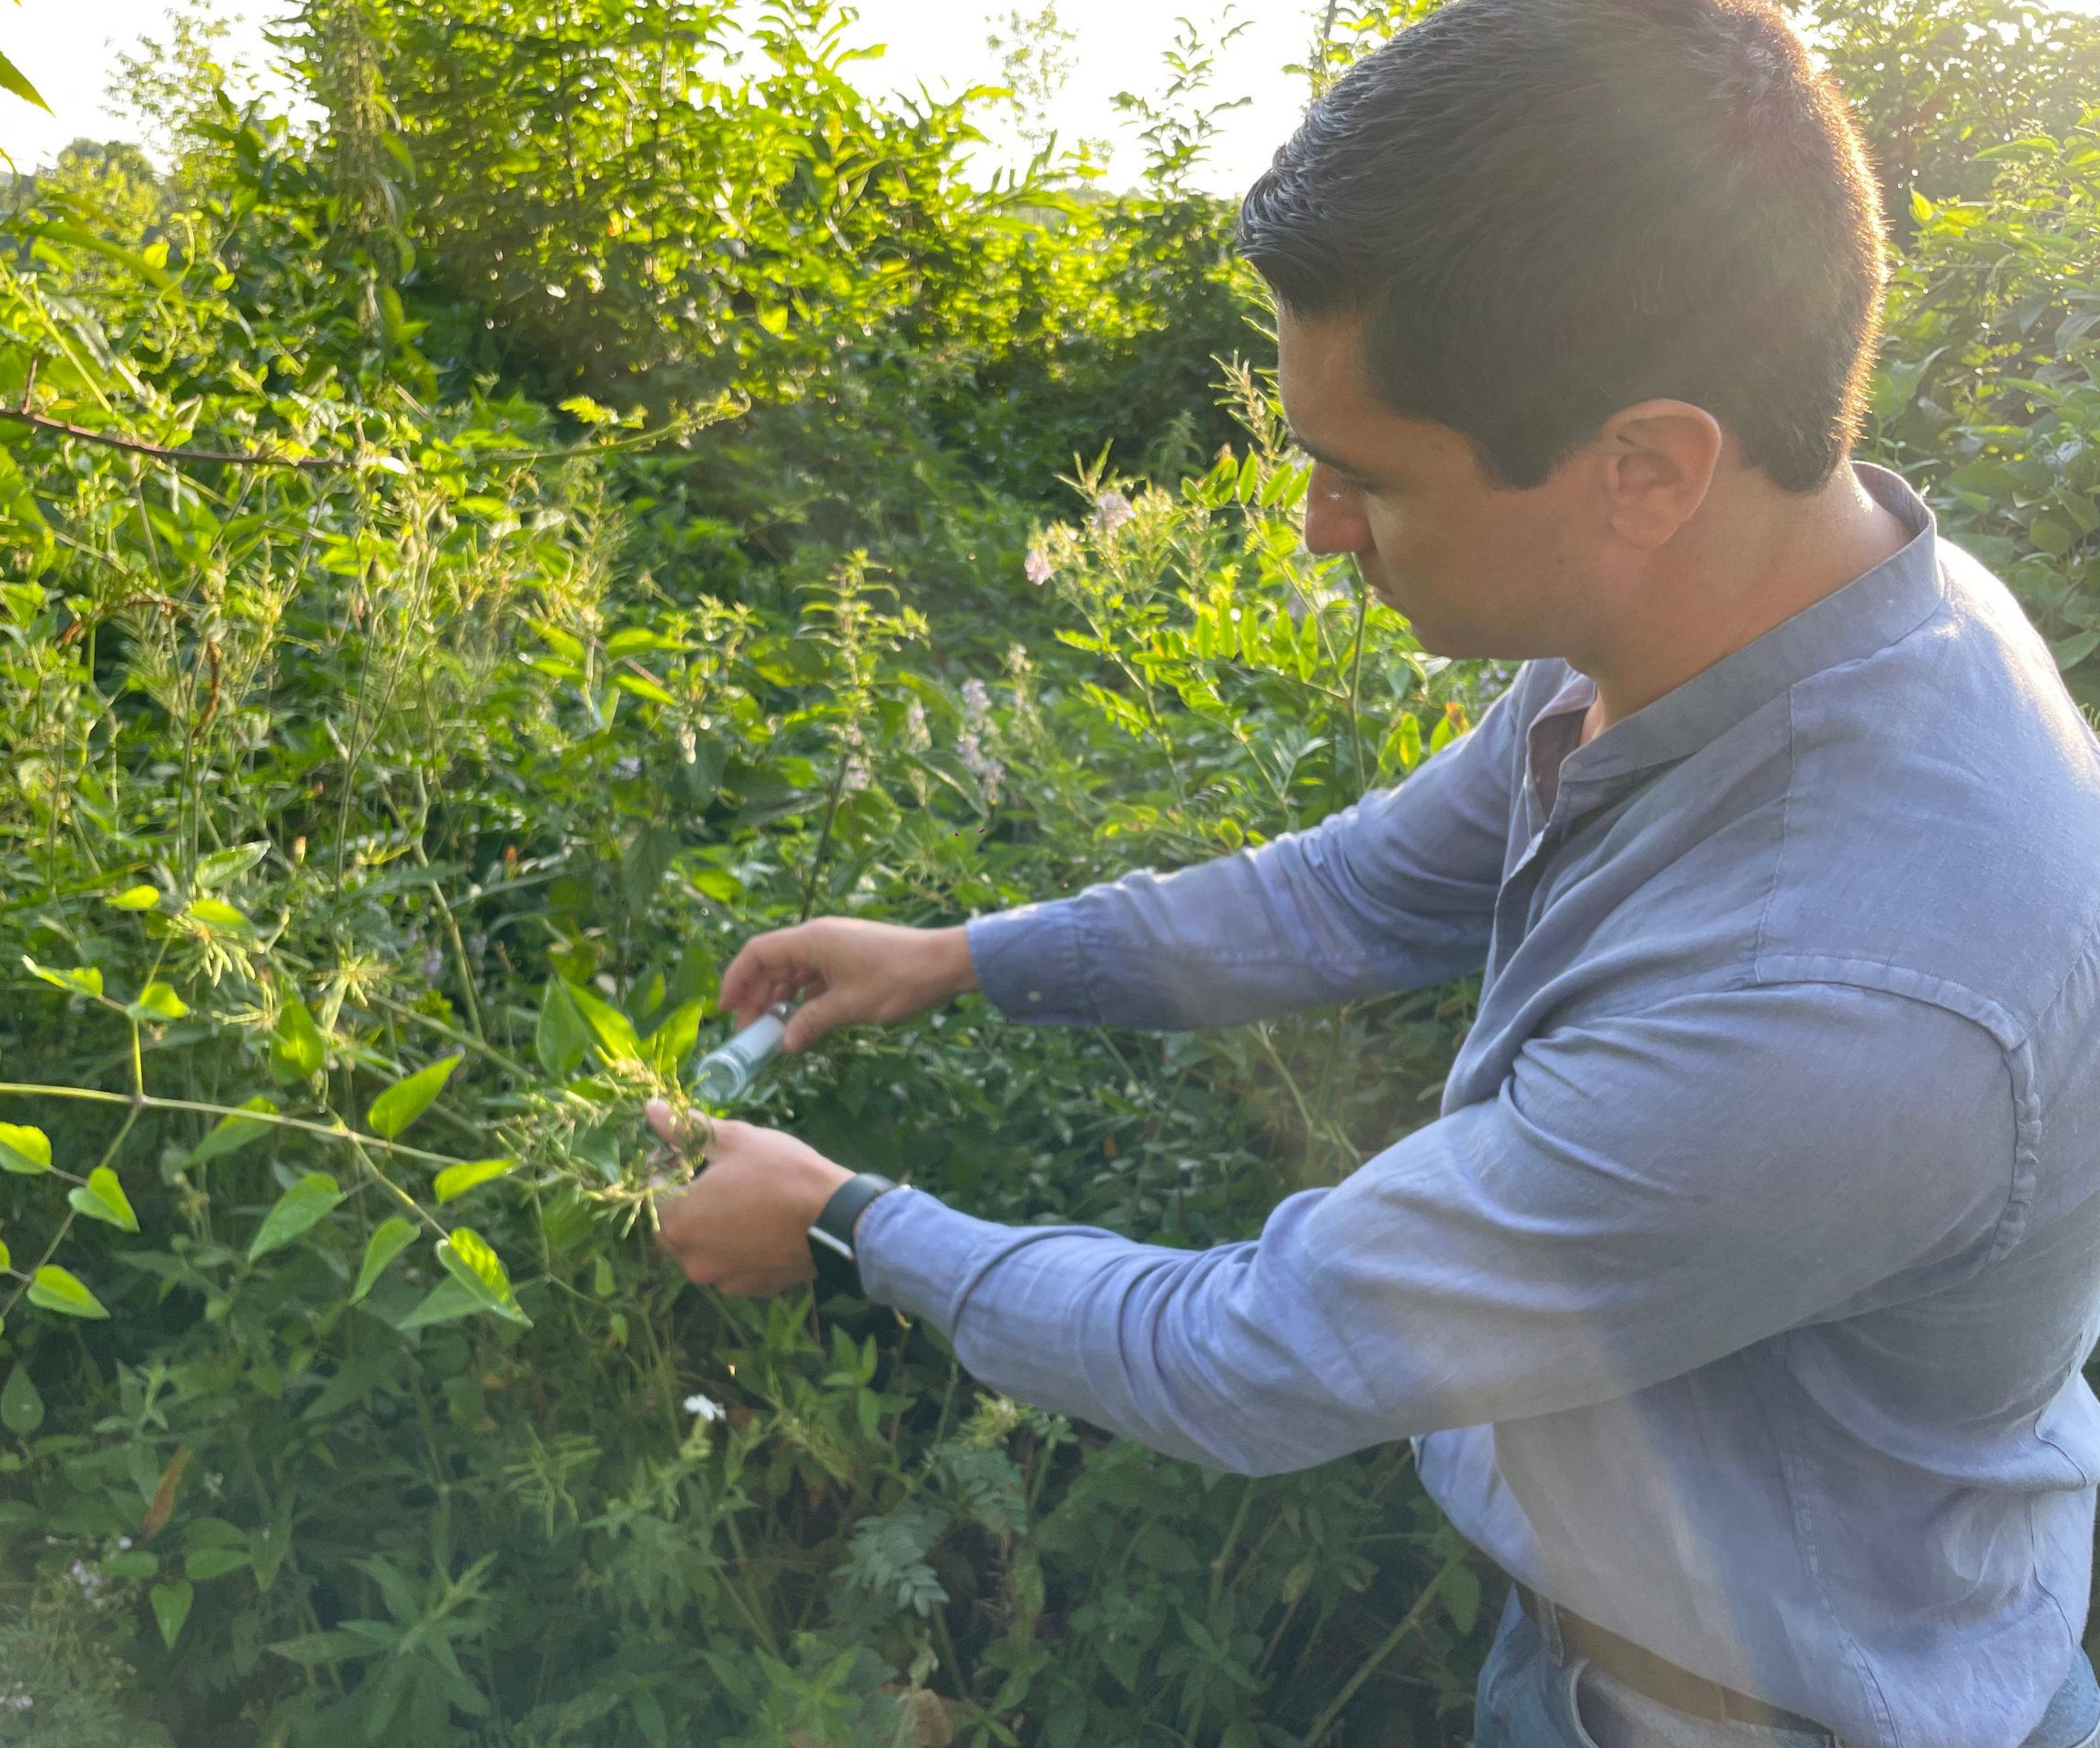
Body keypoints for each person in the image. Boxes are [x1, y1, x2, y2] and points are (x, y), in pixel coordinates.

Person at [641, 0, 2100, 1742]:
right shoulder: (1748, 621)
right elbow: (1354, 894)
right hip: (1633, 1643)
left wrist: (845, 1226)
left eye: (1364, 480)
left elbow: (1258, 1352)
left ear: (1647, 465)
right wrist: (958, 956)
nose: (1319, 530)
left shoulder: (1841, 1005)